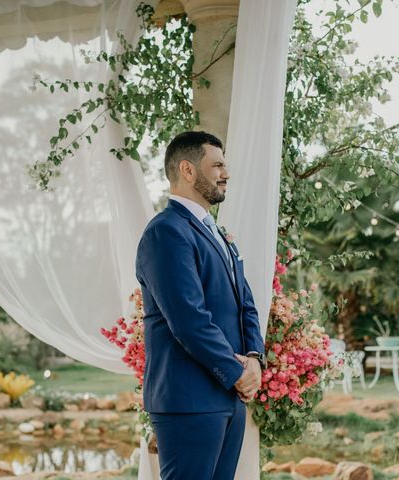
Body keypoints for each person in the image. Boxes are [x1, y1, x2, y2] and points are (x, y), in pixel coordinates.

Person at [135, 131, 266, 480]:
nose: (226, 173)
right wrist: (237, 373)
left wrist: (254, 358)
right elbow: (189, 319)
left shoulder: (216, 233)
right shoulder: (166, 232)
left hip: (227, 399)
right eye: (218, 165)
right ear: (188, 170)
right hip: (188, 399)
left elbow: (245, 305)